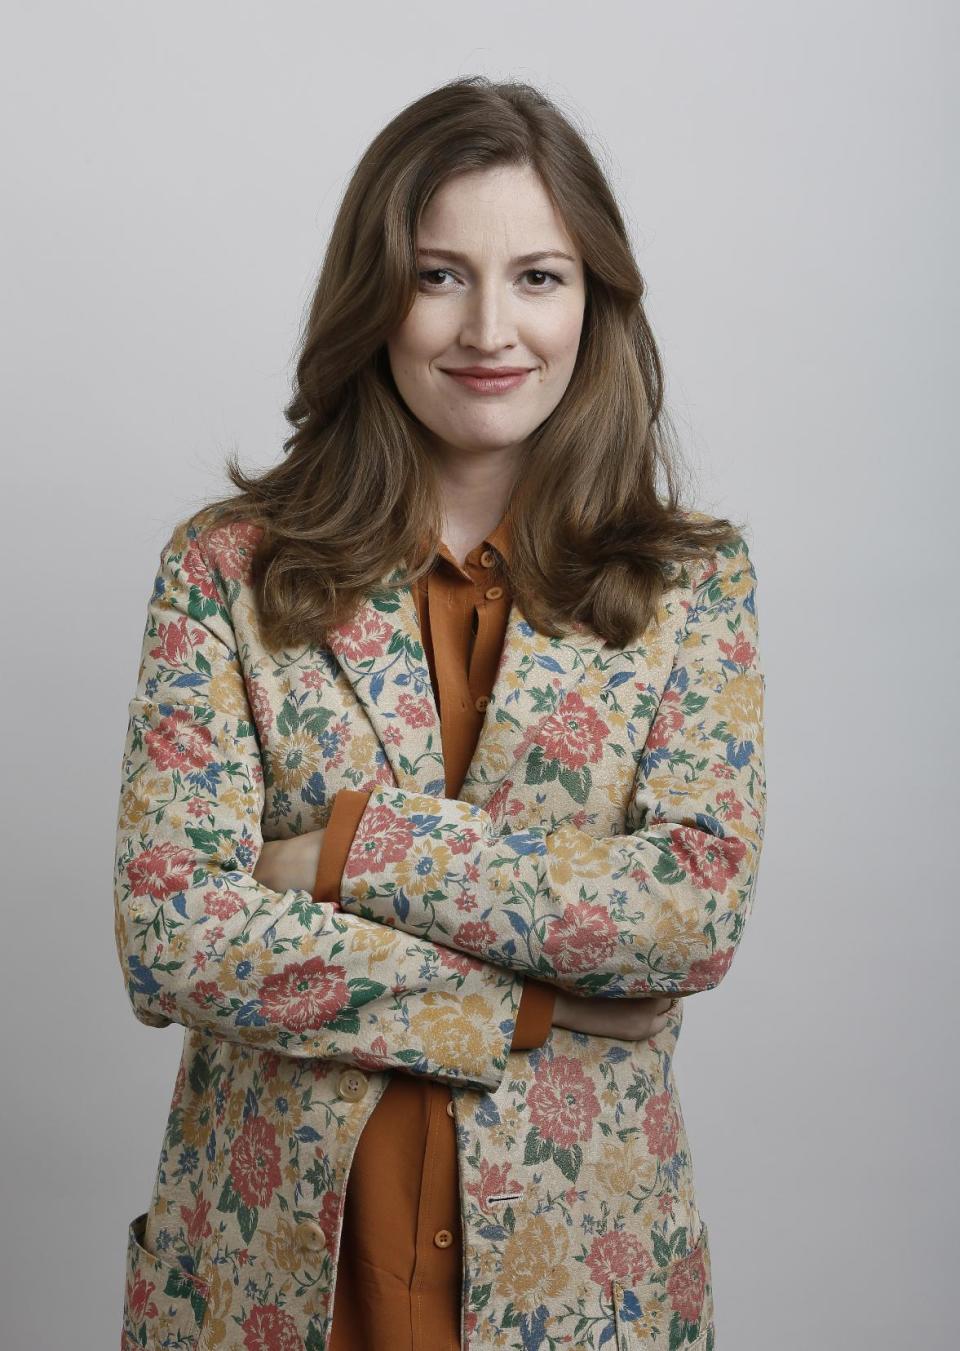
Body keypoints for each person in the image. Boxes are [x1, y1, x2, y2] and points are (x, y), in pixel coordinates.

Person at [114, 75, 765, 1351]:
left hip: (581, 1291)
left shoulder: (694, 583)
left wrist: (353, 852)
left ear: (596, 300)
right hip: (270, 1287)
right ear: (376, 295)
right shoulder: (225, 569)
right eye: (436, 274)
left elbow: (688, 909)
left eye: (538, 275)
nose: (489, 327)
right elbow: (171, 930)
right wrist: (540, 1002)